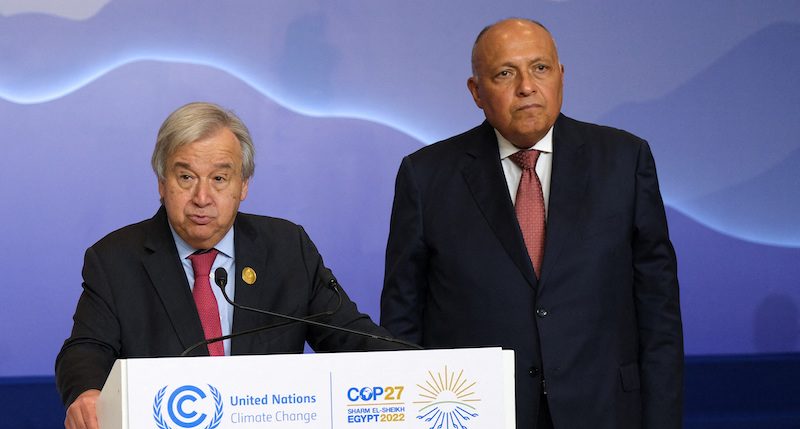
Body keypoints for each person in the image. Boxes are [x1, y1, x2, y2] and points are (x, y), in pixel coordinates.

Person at [380, 18, 683, 429]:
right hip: (477, 413)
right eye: (505, 73)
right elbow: (402, 318)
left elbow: (658, 308)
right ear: (476, 92)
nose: (526, 86)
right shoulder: (426, 176)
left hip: (604, 409)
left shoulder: (624, 160)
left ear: (561, 76)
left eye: (540, 68)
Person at [56, 102, 398, 429]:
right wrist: (86, 392)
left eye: (219, 179)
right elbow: (87, 347)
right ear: (161, 183)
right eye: (186, 178)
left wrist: (424, 370)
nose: (202, 198)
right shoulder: (116, 259)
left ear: (243, 185)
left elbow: (351, 336)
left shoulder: (286, 248)